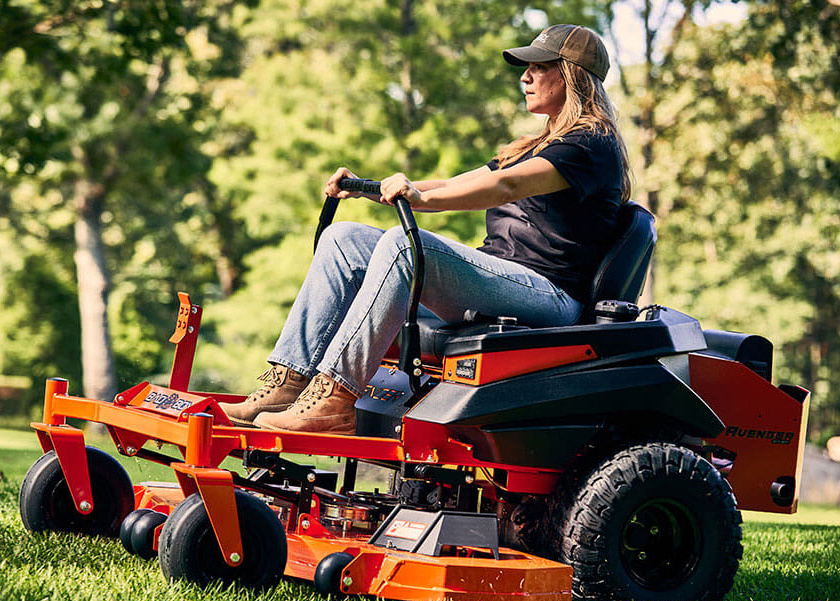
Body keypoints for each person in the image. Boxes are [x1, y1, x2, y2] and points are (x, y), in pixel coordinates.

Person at [220, 24, 631, 435]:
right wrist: (373, 187)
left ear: (571, 75)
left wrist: (419, 199)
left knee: (403, 246)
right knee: (343, 239)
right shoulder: (534, 144)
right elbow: (455, 183)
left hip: (551, 295)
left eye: (538, 67)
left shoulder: (591, 144)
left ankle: (336, 398)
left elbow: (506, 186)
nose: (524, 77)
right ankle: (289, 380)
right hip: (505, 277)